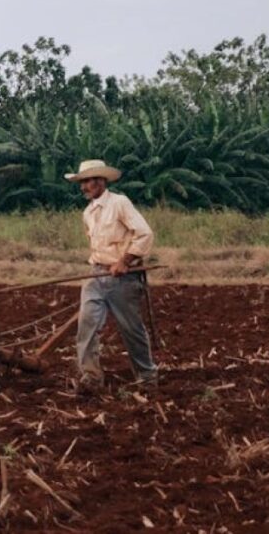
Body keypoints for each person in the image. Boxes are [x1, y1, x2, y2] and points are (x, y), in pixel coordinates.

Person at [64, 159, 157, 393]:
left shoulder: (120, 203)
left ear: (101, 181)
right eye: (82, 182)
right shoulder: (87, 213)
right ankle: (92, 377)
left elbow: (144, 234)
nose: (85, 187)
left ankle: (146, 376)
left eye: (89, 181)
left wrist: (124, 261)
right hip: (95, 274)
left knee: (131, 328)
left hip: (122, 279)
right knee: (86, 325)